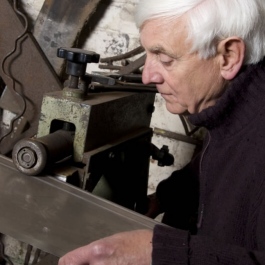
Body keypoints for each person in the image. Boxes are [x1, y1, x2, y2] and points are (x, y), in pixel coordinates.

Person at [58, 0, 265, 264]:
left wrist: (161, 253)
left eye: (165, 59)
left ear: (228, 56)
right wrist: (167, 196)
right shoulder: (235, 111)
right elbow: (224, 161)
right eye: (148, 56)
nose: (147, 76)